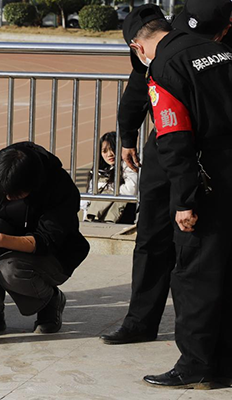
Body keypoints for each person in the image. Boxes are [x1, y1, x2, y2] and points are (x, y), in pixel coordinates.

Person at [100, 0, 232, 348]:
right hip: (169, 149)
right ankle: (140, 322)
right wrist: (128, 135)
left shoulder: (204, 47)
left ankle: (202, 347)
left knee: (197, 254)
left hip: (206, 160)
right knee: (151, 238)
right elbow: (140, 86)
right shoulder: (166, 43)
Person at [0, 142, 90, 337]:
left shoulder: (59, 187)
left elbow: (46, 241)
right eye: (4, 193)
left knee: (8, 269)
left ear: (33, 184)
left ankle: (51, 300)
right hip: (8, 243)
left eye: (15, 194)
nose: (8, 197)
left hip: (54, 256)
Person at [80, 131, 137, 223]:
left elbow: (131, 190)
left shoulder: (129, 166)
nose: (110, 154)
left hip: (123, 215)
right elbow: (88, 200)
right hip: (96, 216)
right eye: (104, 151)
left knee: (114, 196)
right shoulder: (98, 170)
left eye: (113, 149)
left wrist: (110, 189)